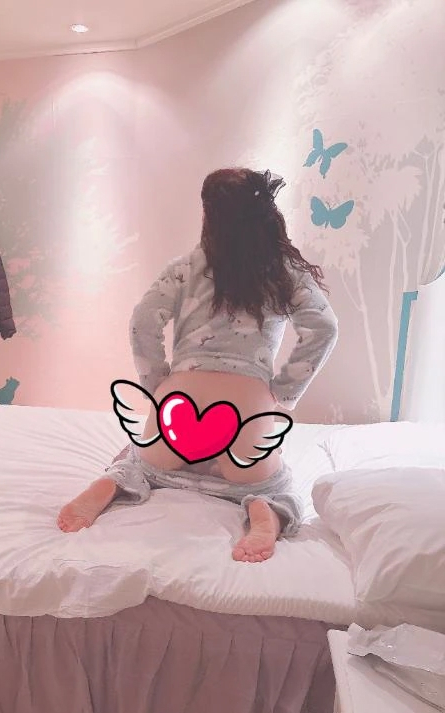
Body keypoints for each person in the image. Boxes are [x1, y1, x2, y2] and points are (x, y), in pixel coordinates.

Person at [58, 168, 338, 563]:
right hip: (246, 410)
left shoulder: (187, 266)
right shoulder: (282, 272)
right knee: (275, 484)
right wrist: (284, 392)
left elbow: (142, 321)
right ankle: (264, 510)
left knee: (138, 460)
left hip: (177, 405)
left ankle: (115, 483)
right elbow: (324, 327)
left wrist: (157, 384)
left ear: (210, 216)